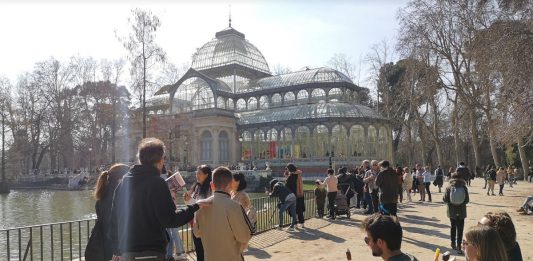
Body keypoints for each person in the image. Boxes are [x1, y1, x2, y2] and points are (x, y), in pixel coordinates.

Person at [110, 138, 208, 261]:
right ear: (160, 160)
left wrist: (117, 249)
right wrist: (194, 207)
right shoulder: (157, 183)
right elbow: (170, 220)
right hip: (150, 251)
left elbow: (114, 220)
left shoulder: (124, 182)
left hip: (127, 252)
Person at [193, 167, 253, 261]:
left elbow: (196, 233)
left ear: (212, 185)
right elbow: (245, 237)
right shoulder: (235, 207)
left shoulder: (200, 205)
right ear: (230, 185)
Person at [85, 164, 129, 261]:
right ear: (121, 177)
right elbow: (114, 221)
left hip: (101, 241)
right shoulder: (117, 192)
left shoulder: (104, 191)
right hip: (113, 245)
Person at [184, 165, 213, 261]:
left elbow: (206, 204)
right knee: (199, 250)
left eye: (199, 173)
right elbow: (192, 203)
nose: (197, 175)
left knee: (205, 251)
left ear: (206, 175)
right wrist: (187, 199)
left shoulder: (210, 188)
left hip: (206, 224)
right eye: (196, 173)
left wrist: (191, 200)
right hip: (196, 223)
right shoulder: (196, 186)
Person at [442, 172, 469, 254]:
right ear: (461, 178)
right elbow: (467, 200)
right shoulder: (464, 187)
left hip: (452, 211)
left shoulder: (449, 187)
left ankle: (452, 243)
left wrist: (451, 203)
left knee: (453, 227)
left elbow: (445, 199)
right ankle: (458, 245)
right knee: (460, 229)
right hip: (461, 211)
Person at [165, 169, 187, 261]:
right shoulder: (173, 188)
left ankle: (176, 253)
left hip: (169, 211)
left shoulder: (169, 188)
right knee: (173, 233)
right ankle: (179, 252)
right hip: (173, 210)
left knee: (170, 233)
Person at [285, 163, 306, 228]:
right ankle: (302, 223)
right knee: (299, 210)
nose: (287, 170)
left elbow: (287, 187)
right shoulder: (299, 175)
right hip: (300, 194)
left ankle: (295, 224)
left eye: (287, 169)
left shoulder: (291, 177)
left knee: (293, 210)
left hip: (293, 196)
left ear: (290, 169)